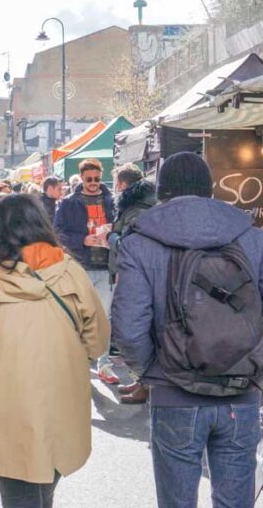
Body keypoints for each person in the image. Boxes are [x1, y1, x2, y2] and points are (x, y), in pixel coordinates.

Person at [112, 152, 263, 507]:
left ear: (161, 191)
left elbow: (127, 327)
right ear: (211, 189)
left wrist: (153, 369)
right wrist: (249, 353)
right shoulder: (253, 237)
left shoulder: (140, 242)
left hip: (173, 392)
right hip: (240, 394)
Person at [0, 194, 109, 507]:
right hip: (63, 404)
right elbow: (98, 342)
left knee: (22, 496)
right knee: (43, 492)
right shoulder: (71, 272)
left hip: (7, 414)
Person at [54, 158, 117, 383]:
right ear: (81, 178)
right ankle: (79, 362)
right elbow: (58, 233)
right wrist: (83, 240)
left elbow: (121, 228)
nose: (93, 183)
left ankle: (104, 364)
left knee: (103, 318)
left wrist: (113, 238)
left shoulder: (111, 201)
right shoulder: (69, 203)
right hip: (81, 266)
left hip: (105, 267)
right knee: (79, 316)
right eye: (89, 179)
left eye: (97, 179)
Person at [107, 163, 157, 405]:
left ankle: (146, 383)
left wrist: (111, 237)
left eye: (117, 183)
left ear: (124, 184)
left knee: (138, 331)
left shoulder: (136, 209)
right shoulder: (142, 205)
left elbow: (129, 246)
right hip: (142, 275)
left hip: (138, 277)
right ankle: (142, 381)